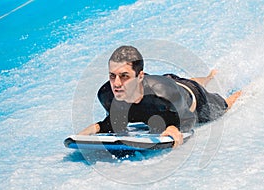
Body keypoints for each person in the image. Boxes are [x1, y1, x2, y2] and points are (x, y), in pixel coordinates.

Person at [78, 46, 241, 147]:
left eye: (124, 76)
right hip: (167, 83)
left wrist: (174, 127)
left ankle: (245, 89)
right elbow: (117, 120)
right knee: (180, 82)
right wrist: (97, 128)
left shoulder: (163, 95)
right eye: (112, 76)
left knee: (225, 105)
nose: (117, 83)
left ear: (139, 76)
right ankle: (208, 76)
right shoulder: (107, 94)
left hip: (195, 99)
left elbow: (188, 118)